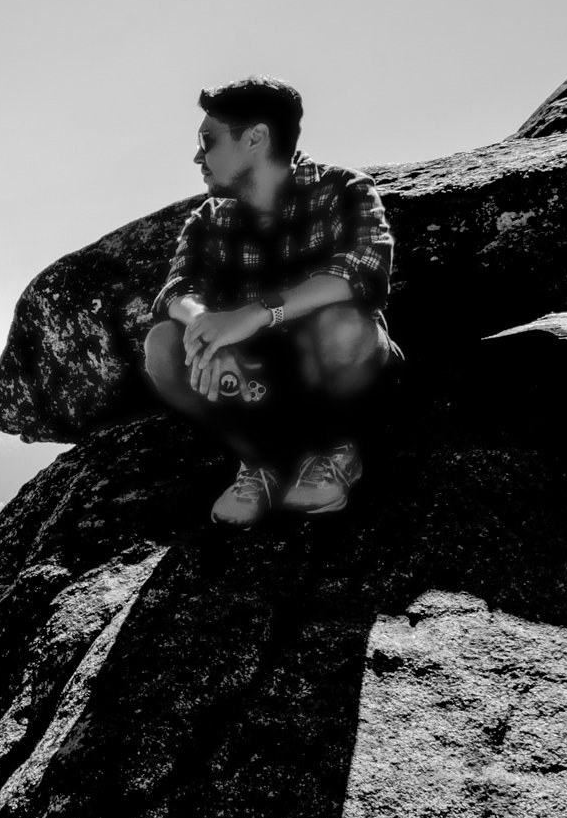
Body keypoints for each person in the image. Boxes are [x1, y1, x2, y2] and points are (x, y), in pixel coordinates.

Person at [141, 75, 404, 527]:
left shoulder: (343, 188)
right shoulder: (209, 219)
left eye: (208, 140)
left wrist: (254, 315)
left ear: (256, 138)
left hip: (334, 373)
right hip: (255, 383)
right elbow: (176, 289)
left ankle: (336, 451)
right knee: (164, 344)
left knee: (343, 325)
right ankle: (259, 464)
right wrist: (208, 328)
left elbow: (364, 270)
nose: (197, 157)